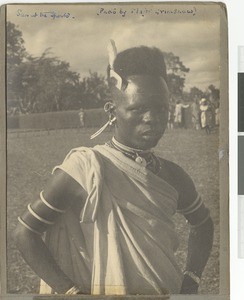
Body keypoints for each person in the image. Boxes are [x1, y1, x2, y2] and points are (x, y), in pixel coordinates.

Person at [14, 43, 214, 296]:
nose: (152, 118)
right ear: (112, 110)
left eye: (161, 108)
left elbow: (203, 223)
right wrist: (70, 291)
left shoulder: (174, 175)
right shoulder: (84, 169)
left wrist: (192, 279)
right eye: (138, 108)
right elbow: (25, 232)